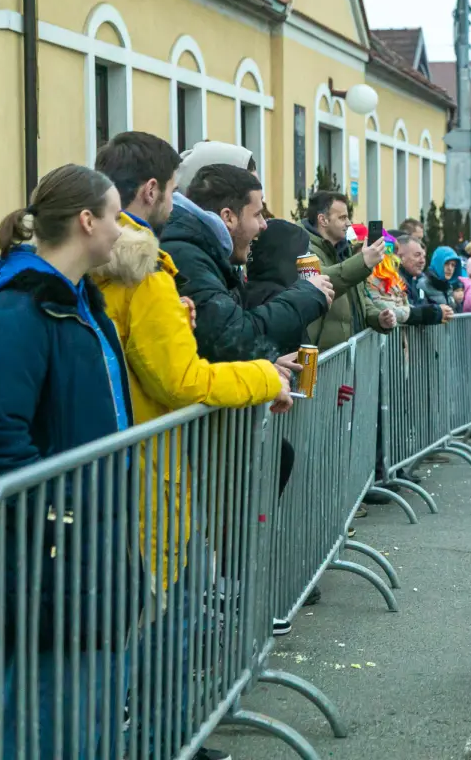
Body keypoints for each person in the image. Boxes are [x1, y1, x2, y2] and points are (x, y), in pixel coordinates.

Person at [93, 129, 290, 760]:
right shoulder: (143, 271)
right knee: (167, 615)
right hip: (148, 475)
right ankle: (163, 741)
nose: (176, 205)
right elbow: (182, 379)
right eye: (173, 192)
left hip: (118, 468)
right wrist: (265, 377)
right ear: (151, 190)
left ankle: (154, 737)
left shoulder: (101, 263)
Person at [0, 164, 130, 759]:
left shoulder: (82, 303)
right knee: (44, 717)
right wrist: (63, 516)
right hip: (51, 551)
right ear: (87, 221)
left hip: (91, 539)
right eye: (115, 217)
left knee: (87, 709)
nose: (121, 231)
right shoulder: (18, 311)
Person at [160, 164, 333, 363]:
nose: (264, 224)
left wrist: (264, 368)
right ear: (228, 217)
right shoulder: (188, 258)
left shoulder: (202, 252)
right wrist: (308, 295)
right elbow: (231, 341)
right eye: (257, 214)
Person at [299, 191, 392, 349]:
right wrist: (363, 261)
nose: (349, 223)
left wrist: (378, 318)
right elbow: (324, 282)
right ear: (323, 220)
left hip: (347, 355)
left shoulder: (343, 250)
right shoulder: (304, 248)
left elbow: (358, 297)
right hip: (323, 355)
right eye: (342, 218)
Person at [398, 237, 452, 324]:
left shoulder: (413, 282)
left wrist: (438, 310)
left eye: (424, 256)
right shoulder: (395, 281)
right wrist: (435, 312)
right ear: (400, 257)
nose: (422, 261)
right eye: (417, 255)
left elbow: (419, 305)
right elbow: (405, 312)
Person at [424, 245, 464, 309]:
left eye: (453, 265)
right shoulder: (423, 285)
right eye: (446, 263)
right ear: (438, 263)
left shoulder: (448, 286)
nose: (450, 268)